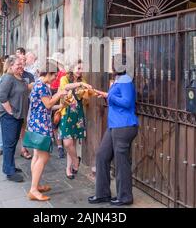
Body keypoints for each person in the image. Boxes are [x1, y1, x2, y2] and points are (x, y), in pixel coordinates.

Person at [88, 54, 139, 206]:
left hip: (124, 126)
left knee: (121, 162)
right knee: (102, 155)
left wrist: (109, 96)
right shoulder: (119, 80)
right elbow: (116, 99)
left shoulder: (126, 81)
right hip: (114, 126)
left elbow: (127, 102)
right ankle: (102, 194)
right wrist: (106, 95)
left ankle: (125, 197)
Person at [27, 61, 67, 201]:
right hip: (41, 125)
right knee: (43, 157)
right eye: (54, 75)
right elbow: (48, 103)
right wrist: (60, 94)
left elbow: (45, 107)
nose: (56, 78)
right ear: (48, 73)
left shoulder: (38, 83)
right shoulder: (42, 86)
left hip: (35, 122)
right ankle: (33, 189)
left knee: (37, 155)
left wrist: (61, 105)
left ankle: (35, 185)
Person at [58, 60, 93, 179]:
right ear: (72, 68)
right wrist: (80, 85)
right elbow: (65, 88)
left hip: (77, 114)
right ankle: (76, 160)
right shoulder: (65, 79)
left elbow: (85, 101)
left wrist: (87, 94)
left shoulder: (82, 81)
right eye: (78, 68)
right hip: (66, 112)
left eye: (82, 69)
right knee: (67, 143)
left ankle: (69, 168)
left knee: (72, 142)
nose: (80, 71)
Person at [0, 55, 29, 182]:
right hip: (9, 116)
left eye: (21, 64)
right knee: (9, 144)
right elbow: (2, 97)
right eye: (18, 64)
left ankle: (10, 166)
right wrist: (10, 112)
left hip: (18, 115)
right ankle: (9, 172)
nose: (20, 66)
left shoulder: (19, 77)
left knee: (13, 142)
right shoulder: (7, 78)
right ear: (11, 66)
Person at [48, 52, 67, 159]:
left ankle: (60, 146)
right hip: (55, 94)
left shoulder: (62, 73)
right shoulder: (56, 71)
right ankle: (59, 146)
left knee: (57, 121)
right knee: (55, 121)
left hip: (59, 95)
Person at [18, 53, 35, 160]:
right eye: (20, 60)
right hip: (14, 104)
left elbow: (33, 89)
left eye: (24, 60)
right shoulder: (11, 74)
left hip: (26, 103)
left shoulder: (29, 75)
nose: (22, 62)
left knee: (24, 127)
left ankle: (23, 148)